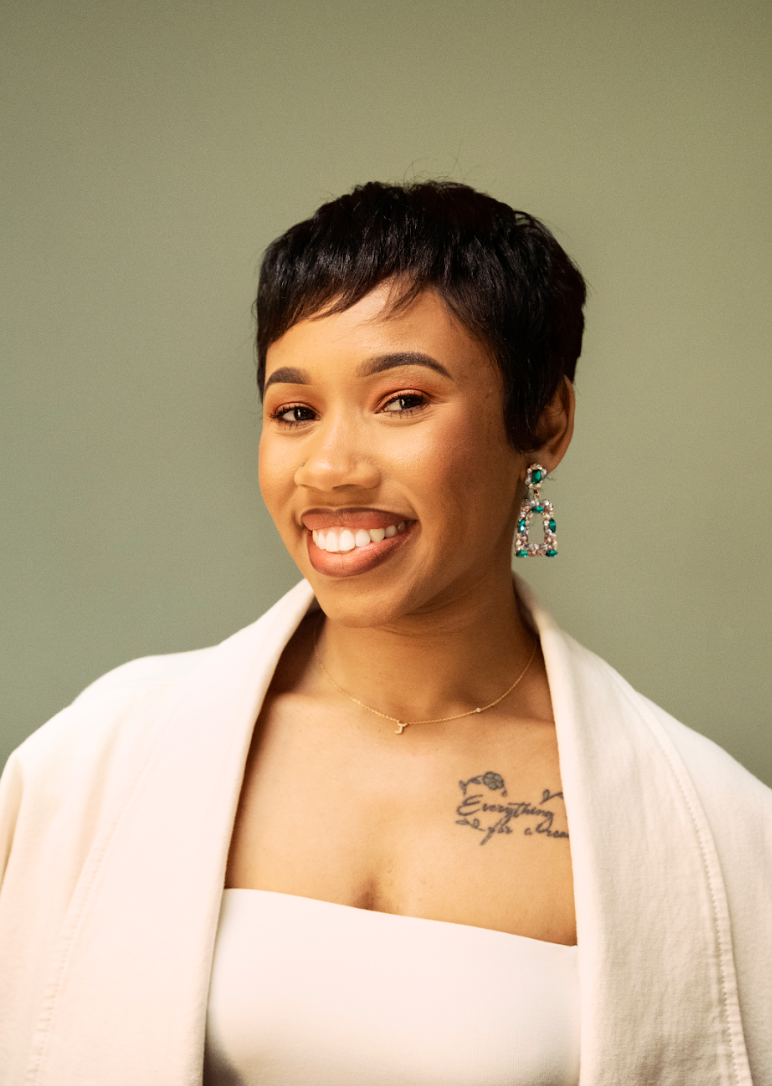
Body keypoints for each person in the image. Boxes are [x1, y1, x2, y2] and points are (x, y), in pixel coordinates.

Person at [0, 181, 769, 1086]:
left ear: (546, 423)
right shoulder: (101, 757)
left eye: (402, 400)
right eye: (295, 412)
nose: (330, 466)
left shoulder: (721, 833)